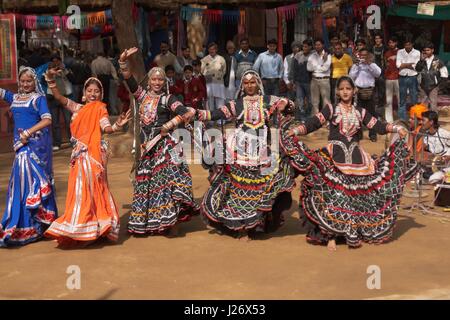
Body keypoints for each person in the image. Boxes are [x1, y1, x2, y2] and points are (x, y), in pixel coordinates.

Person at [284, 76, 416, 250]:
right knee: (333, 197)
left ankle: (351, 231)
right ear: (337, 92)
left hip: (357, 159)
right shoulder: (331, 109)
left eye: (348, 88)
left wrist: (397, 128)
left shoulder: (360, 112)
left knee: (353, 199)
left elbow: (378, 126)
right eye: (342, 89)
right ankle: (330, 235)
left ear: (354, 91)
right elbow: (314, 123)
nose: (345, 92)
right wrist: (295, 130)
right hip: (334, 157)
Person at [197, 70, 296, 240]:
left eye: (252, 82)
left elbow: (291, 106)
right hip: (240, 153)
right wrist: (195, 113)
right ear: (242, 85)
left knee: (261, 188)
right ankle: (242, 228)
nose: (249, 85)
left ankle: (256, 223)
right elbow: (214, 114)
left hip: (263, 152)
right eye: (246, 82)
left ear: (258, 83)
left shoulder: (268, 101)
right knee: (240, 190)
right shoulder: (237, 104)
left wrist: (286, 103)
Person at [43, 69, 131, 246]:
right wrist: (51, 82)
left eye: (96, 91)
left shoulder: (100, 109)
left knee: (92, 190)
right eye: (89, 90)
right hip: (78, 157)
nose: (93, 94)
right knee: (79, 191)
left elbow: (105, 128)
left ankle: (93, 228)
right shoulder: (78, 108)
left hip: (92, 156)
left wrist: (117, 126)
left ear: (101, 94)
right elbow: (60, 99)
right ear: (84, 93)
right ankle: (82, 227)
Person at [119, 47, 199, 237]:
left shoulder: (168, 98)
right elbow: (129, 80)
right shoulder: (141, 95)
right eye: (154, 79)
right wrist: (123, 62)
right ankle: (150, 223)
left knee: (167, 184)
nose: (157, 82)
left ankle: (171, 223)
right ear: (149, 80)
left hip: (164, 146)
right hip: (146, 147)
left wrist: (169, 124)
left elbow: (186, 112)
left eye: (160, 79)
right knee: (147, 186)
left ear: (165, 82)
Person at [0, 67, 57, 247]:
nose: (25, 84)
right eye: (23, 81)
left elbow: (47, 120)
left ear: (35, 82)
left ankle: (37, 225)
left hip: (33, 148)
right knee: (20, 187)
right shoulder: (14, 98)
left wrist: (28, 132)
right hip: (21, 150)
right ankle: (24, 226)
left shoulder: (38, 99)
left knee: (34, 186)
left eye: (29, 81)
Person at [349, 47, 381, 142]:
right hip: (359, 91)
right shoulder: (356, 65)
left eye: (365, 55)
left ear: (368, 56)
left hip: (370, 91)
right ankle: (358, 134)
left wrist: (369, 64)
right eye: (361, 55)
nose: (363, 57)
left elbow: (378, 74)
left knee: (372, 114)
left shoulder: (372, 64)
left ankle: (373, 134)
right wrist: (357, 65)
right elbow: (351, 76)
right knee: (358, 113)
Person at [46, 54, 73, 151]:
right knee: (55, 122)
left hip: (64, 97)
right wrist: (51, 73)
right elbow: (44, 80)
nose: (56, 63)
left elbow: (72, 79)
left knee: (68, 120)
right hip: (52, 98)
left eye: (57, 61)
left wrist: (64, 70)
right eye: (53, 61)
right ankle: (57, 143)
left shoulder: (65, 70)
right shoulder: (48, 71)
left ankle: (72, 140)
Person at [415, 42, 449, 112]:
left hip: (433, 87)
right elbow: (417, 69)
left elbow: (445, 75)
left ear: (432, 50)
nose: (426, 52)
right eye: (425, 50)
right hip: (423, 86)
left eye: (428, 50)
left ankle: (434, 122)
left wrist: (439, 87)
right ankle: (423, 122)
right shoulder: (422, 61)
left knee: (433, 106)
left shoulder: (437, 61)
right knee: (422, 106)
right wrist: (421, 60)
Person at [421, 111, 450, 184]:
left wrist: (448, 156)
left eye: (423, 120)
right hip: (435, 167)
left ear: (431, 122)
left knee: (432, 179)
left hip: (447, 167)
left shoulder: (444, 134)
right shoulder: (425, 136)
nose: (421, 122)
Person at [201, 42, 227, 124]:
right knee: (210, 101)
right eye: (210, 49)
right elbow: (201, 71)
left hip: (219, 82)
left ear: (216, 49)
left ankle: (220, 120)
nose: (212, 51)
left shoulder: (221, 59)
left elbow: (224, 70)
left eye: (214, 49)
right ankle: (211, 120)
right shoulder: (204, 60)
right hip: (208, 83)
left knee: (220, 101)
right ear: (208, 50)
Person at [396, 39, 420, 121]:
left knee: (414, 98)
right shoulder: (400, 52)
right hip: (402, 76)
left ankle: (414, 118)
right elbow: (398, 65)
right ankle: (402, 119)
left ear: (412, 44)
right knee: (402, 98)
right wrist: (409, 64)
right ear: (404, 45)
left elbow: (416, 66)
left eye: (409, 44)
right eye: (406, 44)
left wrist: (404, 64)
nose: (407, 46)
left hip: (413, 76)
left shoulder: (417, 52)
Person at [307, 38, 331, 115]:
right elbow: (308, 68)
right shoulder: (312, 56)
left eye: (319, 45)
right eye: (316, 45)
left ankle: (325, 119)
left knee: (326, 101)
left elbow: (325, 68)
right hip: (314, 80)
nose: (317, 46)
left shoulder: (328, 55)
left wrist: (315, 67)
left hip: (324, 80)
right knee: (315, 101)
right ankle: (315, 119)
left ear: (323, 45)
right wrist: (321, 65)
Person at [290, 39, 313, 120]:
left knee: (310, 101)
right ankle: (302, 117)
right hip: (299, 82)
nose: (304, 48)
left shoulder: (313, 55)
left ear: (310, 47)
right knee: (300, 100)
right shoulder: (298, 55)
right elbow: (294, 69)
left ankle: (309, 116)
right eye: (303, 46)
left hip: (309, 82)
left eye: (306, 47)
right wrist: (293, 82)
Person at [384, 36, 400, 123]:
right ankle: (389, 120)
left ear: (396, 43)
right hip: (389, 77)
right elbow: (385, 65)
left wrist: (396, 57)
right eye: (389, 43)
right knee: (388, 100)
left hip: (398, 77)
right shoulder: (386, 53)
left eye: (392, 42)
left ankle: (400, 118)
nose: (391, 44)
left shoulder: (401, 52)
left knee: (400, 99)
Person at [372, 33, 386, 111]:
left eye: (378, 38)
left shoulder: (385, 48)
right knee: (374, 90)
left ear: (381, 39)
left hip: (382, 72)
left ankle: (381, 106)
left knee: (381, 90)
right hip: (373, 72)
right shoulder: (372, 48)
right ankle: (374, 104)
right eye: (376, 38)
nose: (377, 40)